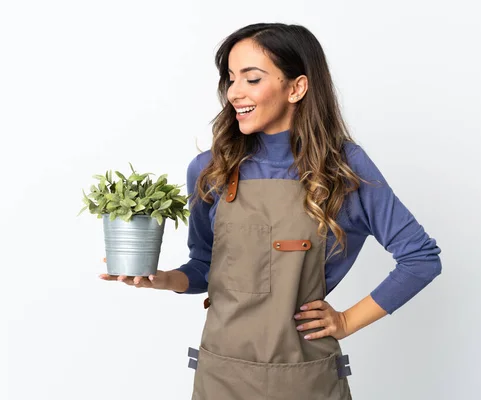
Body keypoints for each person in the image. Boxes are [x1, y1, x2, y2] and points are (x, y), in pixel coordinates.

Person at [100, 22, 442, 400]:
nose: (234, 93)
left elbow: (420, 257)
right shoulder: (210, 169)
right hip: (221, 377)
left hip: (305, 379)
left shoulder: (342, 167)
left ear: (296, 87)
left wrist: (345, 321)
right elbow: (205, 266)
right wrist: (164, 279)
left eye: (252, 79)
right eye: (231, 79)